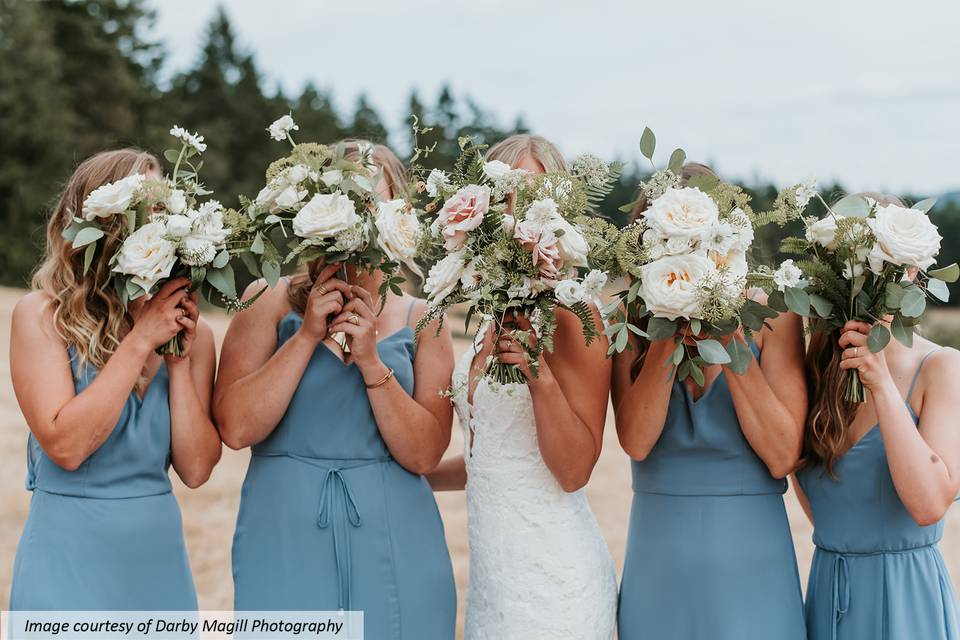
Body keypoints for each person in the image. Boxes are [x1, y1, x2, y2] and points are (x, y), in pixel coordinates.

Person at [215, 141, 456, 639]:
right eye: (345, 196)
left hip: (395, 534)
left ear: (397, 216)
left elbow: (425, 454)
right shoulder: (266, 300)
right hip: (284, 529)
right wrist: (306, 336)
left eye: (373, 200)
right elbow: (236, 428)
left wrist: (370, 362)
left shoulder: (425, 320)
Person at [9, 149, 220, 610]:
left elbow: (198, 470)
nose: (156, 222)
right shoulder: (42, 317)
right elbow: (66, 446)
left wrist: (178, 363)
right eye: (142, 209)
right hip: (69, 555)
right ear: (99, 222)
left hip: (158, 563)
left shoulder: (192, 334)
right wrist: (140, 341)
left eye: (165, 209)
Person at [428, 134, 618, 640]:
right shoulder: (493, 312)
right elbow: (492, 460)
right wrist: (411, 476)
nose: (516, 210)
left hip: (553, 588)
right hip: (493, 585)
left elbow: (575, 469)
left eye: (530, 193)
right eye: (504, 194)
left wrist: (539, 376)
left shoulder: (575, 315)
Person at [613, 163, 807, 639]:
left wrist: (730, 329)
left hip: (753, 564)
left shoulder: (774, 316)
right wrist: (668, 321)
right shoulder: (628, 321)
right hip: (659, 561)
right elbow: (636, 442)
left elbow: (784, 455)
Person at [795, 194, 960, 640]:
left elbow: (928, 505)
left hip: (908, 599)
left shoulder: (941, 368)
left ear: (910, 270)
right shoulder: (812, 370)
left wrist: (882, 383)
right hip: (830, 592)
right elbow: (823, 511)